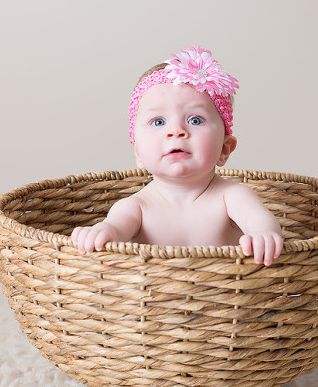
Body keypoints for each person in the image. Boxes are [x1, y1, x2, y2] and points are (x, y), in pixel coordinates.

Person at [71, 46, 283, 266]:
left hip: (226, 296)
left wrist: (262, 233)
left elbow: (257, 219)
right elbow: (115, 227)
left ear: (224, 149)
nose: (176, 131)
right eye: (158, 122)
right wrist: (101, 231)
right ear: (139, 153)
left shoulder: (232, 196)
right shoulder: (136, 207)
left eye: (195, 120)